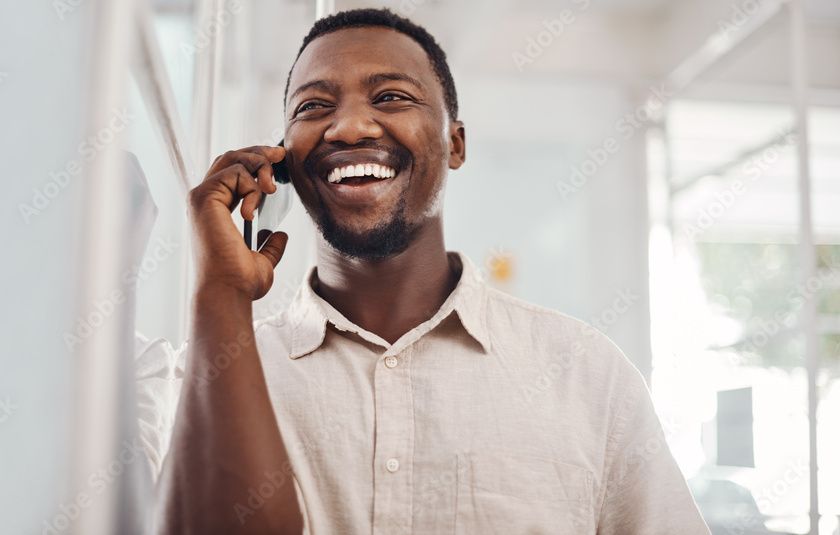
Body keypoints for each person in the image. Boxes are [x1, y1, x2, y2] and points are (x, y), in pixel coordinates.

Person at [137, 8, 711, 534]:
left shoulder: (589, 375)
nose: (350, 128)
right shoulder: (208, 378)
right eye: (314, 107)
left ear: (454, 143)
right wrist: (221, 292)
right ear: (280, 160)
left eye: (390, 97)